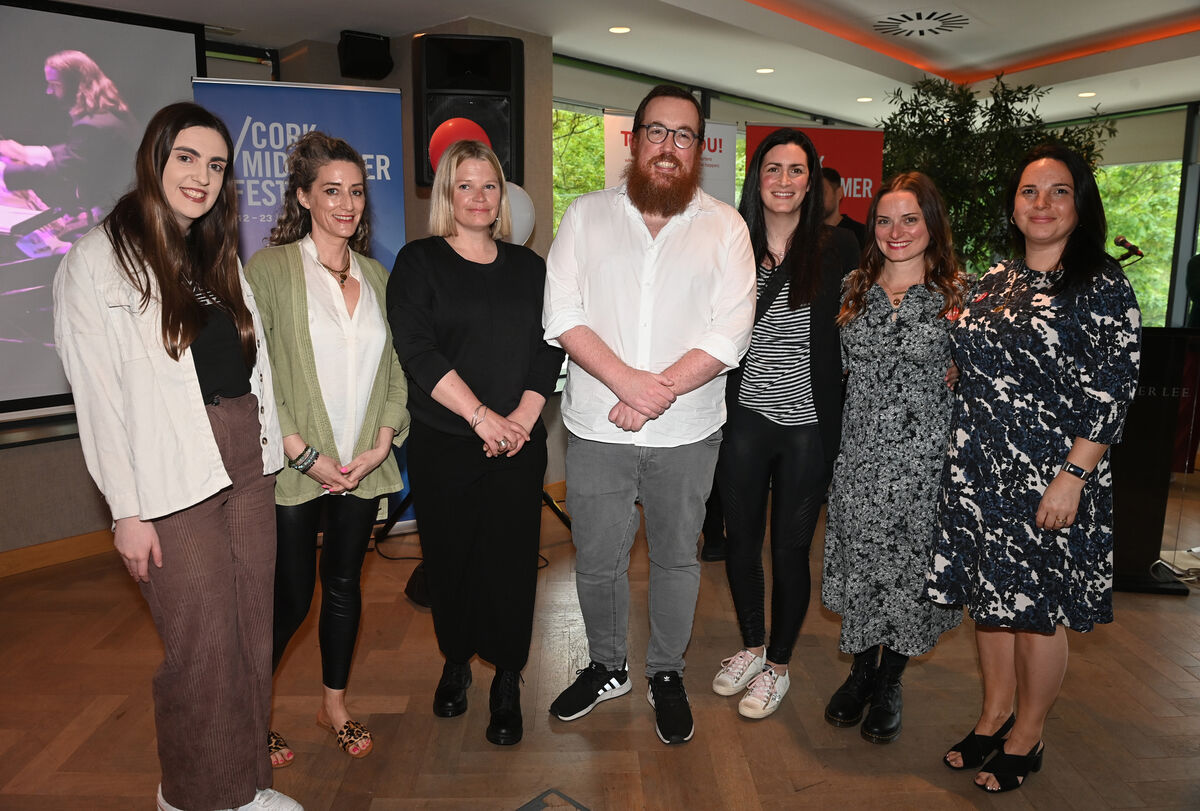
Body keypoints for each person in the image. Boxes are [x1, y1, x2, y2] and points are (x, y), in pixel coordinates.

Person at [51, 102, 300, 811]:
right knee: (202, 647)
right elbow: (99, 401)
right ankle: (193, 797)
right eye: (187, 157)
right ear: (155, 158)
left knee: (252, 632)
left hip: (245, 462)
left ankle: (246, 785)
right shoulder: (97, 260)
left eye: (216, 165)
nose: (202, 176)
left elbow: (256, 368)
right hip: (169, 474)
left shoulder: (214, 255)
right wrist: (125, 512)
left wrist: (272, 451)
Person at [544, 84, 756, 744]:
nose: (668, 146)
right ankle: (608, 665)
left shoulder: (727, 227)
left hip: (688, 433)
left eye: (684, 135)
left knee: (674, 560)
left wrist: (653, 392)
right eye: (657, 132)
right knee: (597, 558)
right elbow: (562, 315)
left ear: (700, 147)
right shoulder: (584, 215)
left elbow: (730, 335)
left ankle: (666, 671)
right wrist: (629, 384)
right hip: (595, 426)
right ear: (634, 141)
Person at [927, 143, 1141, 792]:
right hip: (981, 474)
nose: (1042, 204)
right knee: (992, 606)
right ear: (1014, 208)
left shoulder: (1102, 284)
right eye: (1029, 192)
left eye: (1058, 192)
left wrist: (1073, 476)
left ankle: (1029, 733)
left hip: (1053, 478)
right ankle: (993, 715)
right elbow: (964, 356)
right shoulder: (995, 279)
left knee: (1036, 610)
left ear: (1080, 206)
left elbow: (1114, 387)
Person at [388, 139, 563, 746]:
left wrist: (520, 418)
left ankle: (507, 678)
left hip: (519, 443)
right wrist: (483, 418)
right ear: (446, 195)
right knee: (451, 559)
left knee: (512, 566)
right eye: (465, 185)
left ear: (504, 195)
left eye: (490, 185)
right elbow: (416, 349)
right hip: (446, 443)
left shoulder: (530, 268)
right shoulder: (419, 262)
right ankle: (456, 661)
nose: (480, 197)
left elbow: (550, 347)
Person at [245, 132, 409, 766]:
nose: (347, 204)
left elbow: (397, 371)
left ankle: (332, 705)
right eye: (332, 191)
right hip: (295, 468)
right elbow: (257, 371)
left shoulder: (377, 276)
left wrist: (381, 445)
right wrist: (298, 449)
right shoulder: (272, 270)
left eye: (357, 192)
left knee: (343, 586)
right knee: (291, 596)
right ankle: (251, 712)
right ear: (304, 196)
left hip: (359, 466)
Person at [709, 128, 858, 720]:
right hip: (743, 418)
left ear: (813, 179)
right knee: (740, 543)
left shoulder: (841, 249)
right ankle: (750, 645)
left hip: (807, 425)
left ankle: (778, 665)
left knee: (790, 551)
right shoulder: (729, 244)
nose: (785, 181)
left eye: (797, 170)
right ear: (757, 176)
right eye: (774, 168)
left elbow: (876, 318)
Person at [821, 172, 967, 743]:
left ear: (931, 223)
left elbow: (983, 376)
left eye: (910, 219)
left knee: (909, 574)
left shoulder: (961, 296)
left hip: (926, 466)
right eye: (884, 220)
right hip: (859, 461)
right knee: (862, 567)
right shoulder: (851, 289)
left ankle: (890, 680)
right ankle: (860, 672)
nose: (896, 231)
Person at [0, 50, 137, 217]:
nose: (49, 91)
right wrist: (24, 152)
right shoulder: (107, 115)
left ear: (77, 84)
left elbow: (62, 173)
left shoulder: (92, 125)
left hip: (113, 214)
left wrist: (4, 171)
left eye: (55, 84)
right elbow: (77, 150)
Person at [822, 167, 868, 248]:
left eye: (822, 193)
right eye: (813, 195)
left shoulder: (861, 234)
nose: (817, 199)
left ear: (839, 193)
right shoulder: (804, 234)